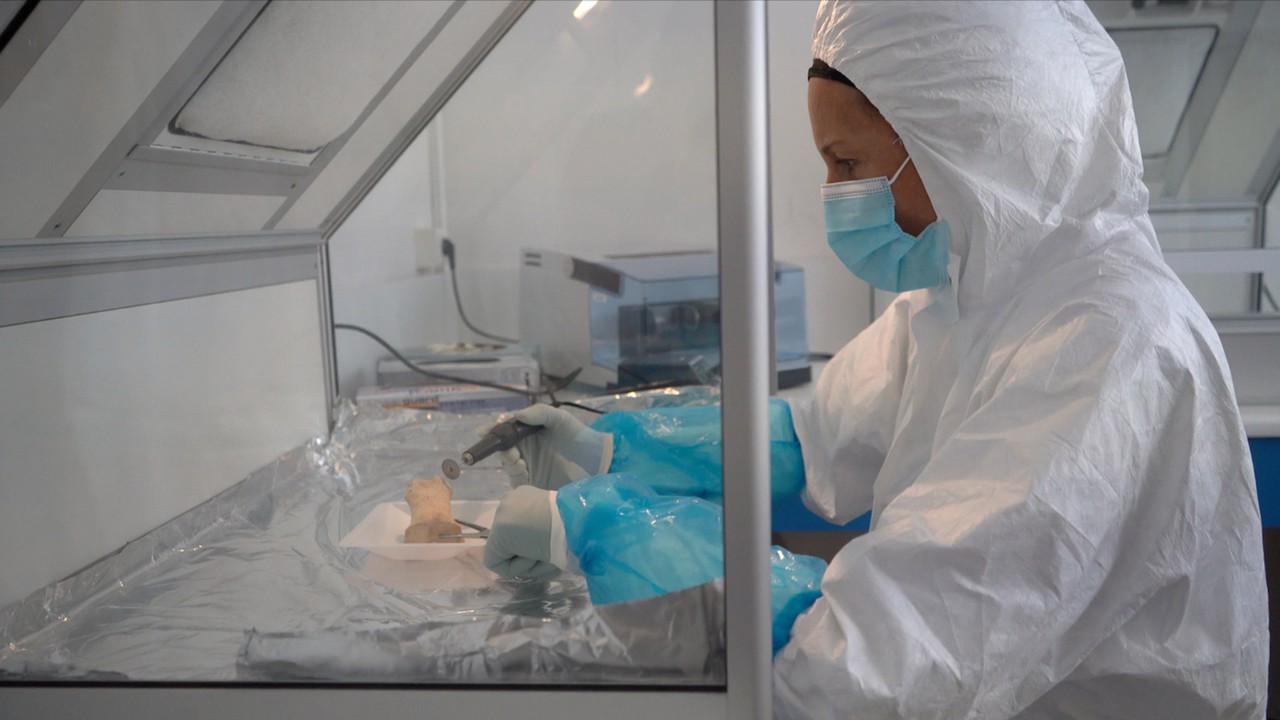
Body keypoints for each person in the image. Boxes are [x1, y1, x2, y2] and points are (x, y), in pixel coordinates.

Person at [480, 1, 1269, 717]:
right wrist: (614, 446)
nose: (833, 194)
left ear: (966, 146)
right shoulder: (967, 293)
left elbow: (872, 659)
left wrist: (610, 531)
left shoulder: (1111, 343)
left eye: (849, 165)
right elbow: (816, 434)